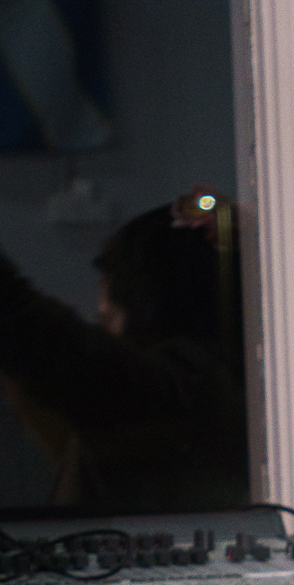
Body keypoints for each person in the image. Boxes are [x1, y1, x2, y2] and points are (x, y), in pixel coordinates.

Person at [0, 189, 249, 517]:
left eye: (109, 287)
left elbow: (36, 332)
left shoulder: (183, 389)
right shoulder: (209, 388)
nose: (101, 313)